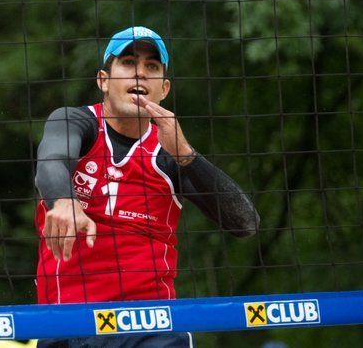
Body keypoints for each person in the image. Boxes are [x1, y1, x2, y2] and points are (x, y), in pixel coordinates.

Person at [34, 26, 259, 347]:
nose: (140, 73)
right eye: (128, 63)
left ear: (163, 88)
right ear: (103, 80)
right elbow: (51, 161)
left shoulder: (170, 156)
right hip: (68, 324)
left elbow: (246, 224)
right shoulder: (76, 123)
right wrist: (64, 201)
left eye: (152, 66)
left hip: (149, 325)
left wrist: (186, 155)